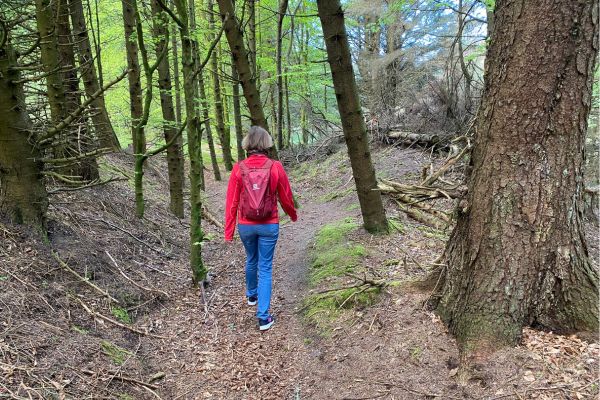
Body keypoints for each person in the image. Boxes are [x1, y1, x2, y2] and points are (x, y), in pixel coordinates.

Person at [224, 126, 298, 331]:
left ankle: (251, 295)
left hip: (246, 225)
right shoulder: (275, 167)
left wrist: (229, 232)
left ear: (247, 143)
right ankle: (263, 318)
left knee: (251, 259)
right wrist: (292, 215)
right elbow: (286, 196)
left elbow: (232, 202)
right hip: (269, 224)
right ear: (266, 143)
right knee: (265, 267)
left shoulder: (238, 168)